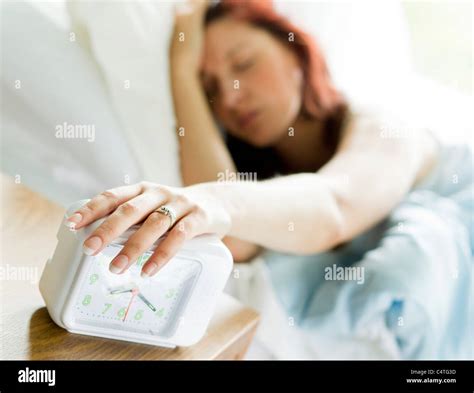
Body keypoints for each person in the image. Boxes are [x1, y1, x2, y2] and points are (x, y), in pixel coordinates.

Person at [64, 0, 468, 287]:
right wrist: (182, 74)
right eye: (211, 89)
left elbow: (335, 206)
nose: (231, 97)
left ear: (296, 53)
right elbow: (234, 238)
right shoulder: (261, 176)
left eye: (243, 65)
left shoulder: (383, 127)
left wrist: (214, 201)